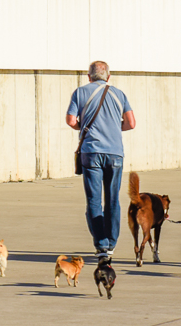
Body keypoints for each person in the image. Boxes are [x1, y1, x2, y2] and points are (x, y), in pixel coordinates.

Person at [66, 61, 135, 259]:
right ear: (108, 77)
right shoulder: (119, 94)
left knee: (94, 201)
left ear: (89, 76)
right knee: (112, 199)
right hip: (115, 153)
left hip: (91, 152)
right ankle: (112, 242)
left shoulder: (79, 93)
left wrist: (85, 126)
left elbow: (71, 120)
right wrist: (113, 127)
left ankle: (101, 245)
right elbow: (131, 123)